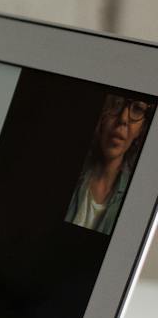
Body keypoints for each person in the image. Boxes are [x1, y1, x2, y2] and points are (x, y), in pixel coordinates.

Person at [64, 91, 150, 234]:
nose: (123, 118)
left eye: (137, 109)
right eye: (116, 104)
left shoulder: (138, 201)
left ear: (141, 130)